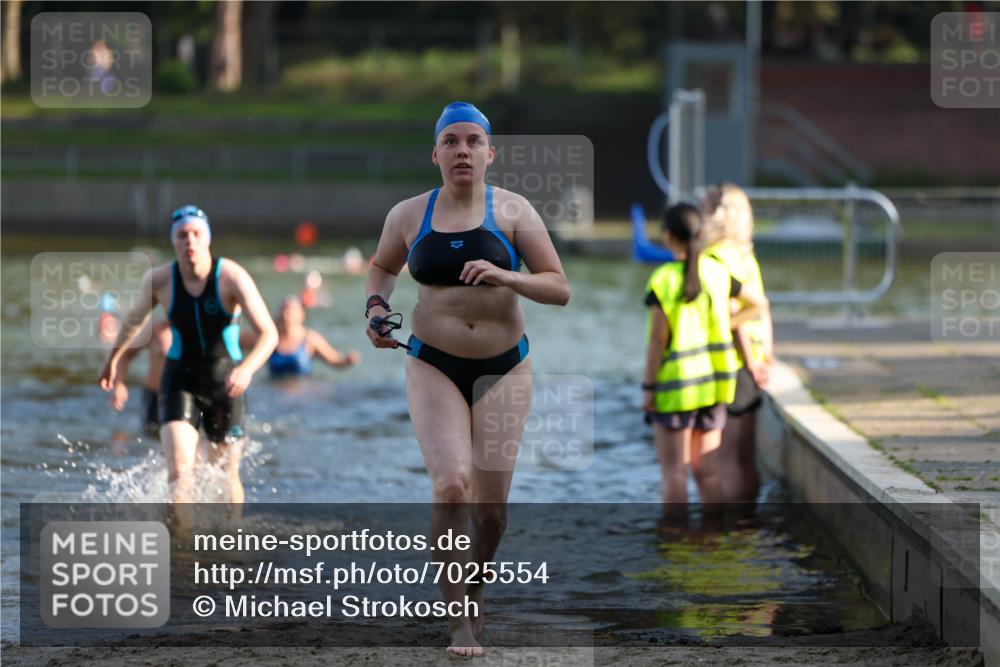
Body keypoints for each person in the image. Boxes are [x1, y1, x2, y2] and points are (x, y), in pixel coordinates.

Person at [364, 102, 570, 657]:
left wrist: (507, 274)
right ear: (435, 154)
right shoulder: (408, 215)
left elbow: (559, 287)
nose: (462, 150)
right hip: (432, 361)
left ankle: (472, 588)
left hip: (506, 367)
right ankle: (458, 621)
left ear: (490, 153)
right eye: (451, 141)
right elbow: (381, 266)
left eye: (473, 141)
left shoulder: (513, 210)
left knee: (491, 512)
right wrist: (376, 310)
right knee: (451, 483)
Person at [99, 205, 278, 534]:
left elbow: (269, 333)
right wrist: (113, 360)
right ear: (174, 242)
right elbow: (134, 323)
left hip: (227, 384)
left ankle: (230, 540)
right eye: (182, 235)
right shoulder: (160, 280)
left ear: (207, 239)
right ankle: (181, 552)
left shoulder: (231, 276)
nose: (189, 241)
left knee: (227, 475)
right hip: (179, 381)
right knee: (180, 472)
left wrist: (248, 369)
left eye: (196, 234)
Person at [642, 203, 766, 514]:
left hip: (675, 388)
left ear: (669, 236)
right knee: (707, 470)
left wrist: (648, 387)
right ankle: (713, 541)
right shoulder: (718, 273)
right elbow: (758, 304)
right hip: (713, 386)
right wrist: (727, 323)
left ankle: (676, 544)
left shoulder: (663, 280)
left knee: (675, 472)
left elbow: (658, 341)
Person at [702, 183, 775, 503]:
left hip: (733, 363)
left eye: (703, 207)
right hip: (753, 364)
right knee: (746, 457)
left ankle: (729, 533)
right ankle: (749, 523)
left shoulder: (715, 257)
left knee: (725, 457)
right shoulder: (746, 256)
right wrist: (765, 358)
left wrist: (748, 361)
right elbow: (762, 307)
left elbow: (736, 319)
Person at [242, 295, 361, 379]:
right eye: (283, 309)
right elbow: (238, 341)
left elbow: (334, 360)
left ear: (301, 315)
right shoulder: (269, 337)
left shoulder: (310, 339)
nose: (285, 314)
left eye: (290, 310)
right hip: (274, 392)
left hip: (302, 393)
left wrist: (347, 360)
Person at [109, 319, 173, 435]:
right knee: (151, 435)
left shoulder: (198, 330)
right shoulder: (157, 330)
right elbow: (125, 354)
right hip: (155, 397)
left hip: (187, 395)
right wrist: (119, 383)